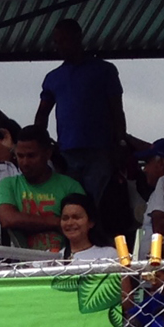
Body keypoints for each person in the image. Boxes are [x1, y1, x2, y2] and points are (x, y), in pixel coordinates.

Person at [35, 19, 126, 206]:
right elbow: (42, 114)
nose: (59, 46)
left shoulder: (104, 70)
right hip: (67, 152)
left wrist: (121, 142)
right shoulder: (53, 78)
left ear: (78, 38)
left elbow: (117, 110)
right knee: (71, 202)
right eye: (56, 42)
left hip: (100, 150)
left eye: (64, 40)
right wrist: (41, 143)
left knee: (97, 203)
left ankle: (96, 235)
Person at [0, 126, 85, 253]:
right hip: (20, 266)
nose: (25, 162)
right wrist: (55, 222)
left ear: (48, 153)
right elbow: (7, 218)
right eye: (20, 156)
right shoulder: (7, 184)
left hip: (64, 263)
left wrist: (24, 221)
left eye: (31, 156)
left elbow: (80, 226)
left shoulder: (70, 186)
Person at [60, 194, 118, 261]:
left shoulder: (108, 256)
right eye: (65, 218)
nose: (69, 223)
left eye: (76, 217)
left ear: (91, 222)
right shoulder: (54, 258)